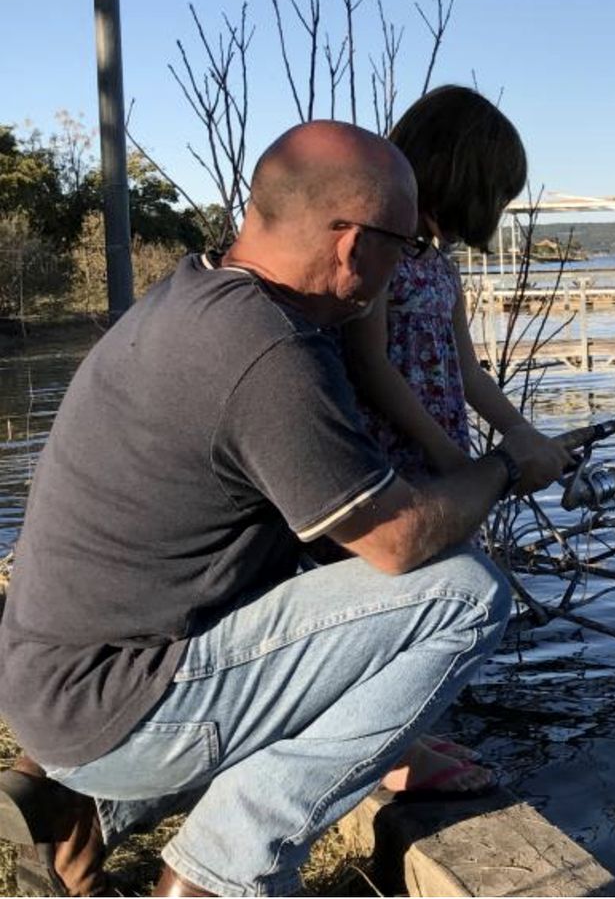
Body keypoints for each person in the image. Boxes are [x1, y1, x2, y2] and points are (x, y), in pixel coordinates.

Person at [0, 120, 565, 897]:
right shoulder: (266, 351)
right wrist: (504, 467)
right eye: (407, 245)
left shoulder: (195, 296)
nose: (409, 263)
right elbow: (399, 542)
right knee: (463, 594)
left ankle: (80, 812)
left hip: (55, 690)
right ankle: (220, 871)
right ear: (351, 244)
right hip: (109, 711)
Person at [341, 86, 573, 797]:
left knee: (434, 590)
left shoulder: (439, 266)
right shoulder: (380, 255)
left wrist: (520, 433)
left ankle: (399, 732)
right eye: (495, 192)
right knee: (388, 600)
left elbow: (467, 370)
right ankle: (382, 752)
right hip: (389, 462)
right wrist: (451, 460)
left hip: (440, 459)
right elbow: (370, 365)